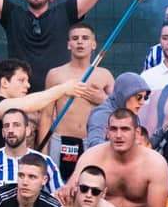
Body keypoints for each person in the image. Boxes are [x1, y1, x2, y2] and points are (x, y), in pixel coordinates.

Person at [43, 23, 115, 177]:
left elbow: (118, 113)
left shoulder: (105, 75)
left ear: (94, 44)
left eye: (85, 38)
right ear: (69, 44)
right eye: (75, 38)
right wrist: (43, 152)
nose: (80, 42)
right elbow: (46, 116)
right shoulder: (55, 75)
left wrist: (103, 99)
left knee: (90, 187)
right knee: (58, 188)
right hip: (61, 140)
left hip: (93, 141)